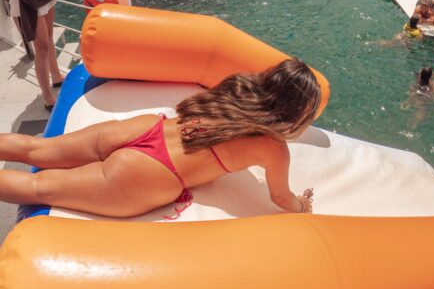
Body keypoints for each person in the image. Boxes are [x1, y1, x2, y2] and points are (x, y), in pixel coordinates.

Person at [0, 59, 319, 218]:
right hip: (153, 172)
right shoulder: (273, 148)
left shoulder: (237, 89)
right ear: (295, 111)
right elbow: (281, 199)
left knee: (34, 147)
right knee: (37, 189)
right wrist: (302, 205)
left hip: (145, 129)